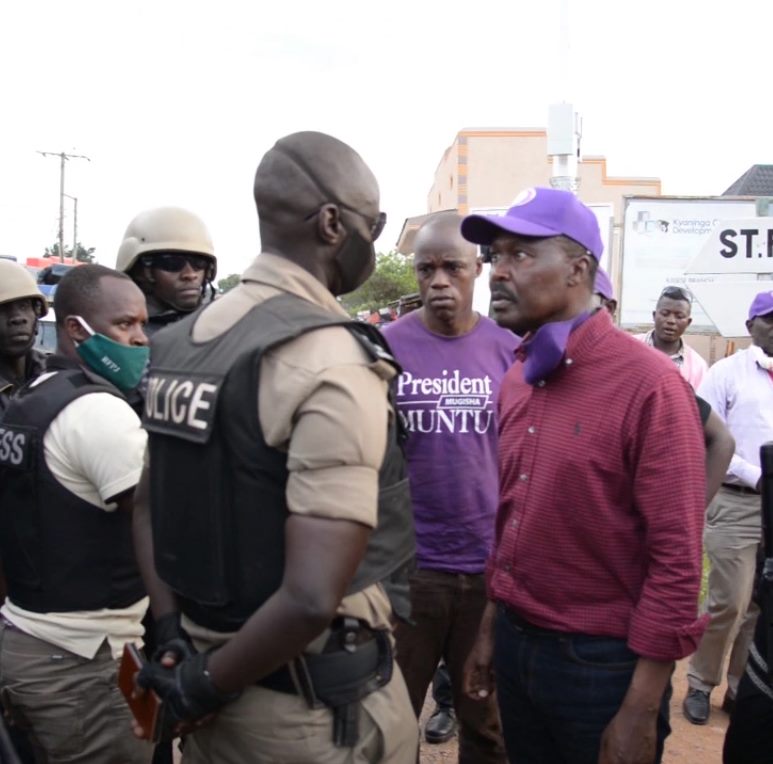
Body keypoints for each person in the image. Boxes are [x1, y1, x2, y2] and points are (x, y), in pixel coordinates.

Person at [132, 131, 418, 762]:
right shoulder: (331, 357)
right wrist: (201, 686)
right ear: (332, 224)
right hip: (309, 717)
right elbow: (313, 596)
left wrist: (174, 634)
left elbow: (150, 509)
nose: (374, 237)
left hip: (217, 688)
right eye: (375, 223)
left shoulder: (181, 345)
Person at [461, 187, 706, 764]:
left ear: (579, 269)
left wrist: (641, 707)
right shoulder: (518, 375)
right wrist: (493, 628)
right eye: (495, 256)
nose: (497, 272)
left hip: (601, 668)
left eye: (519, 254)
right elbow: (513, 520)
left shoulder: (651, 386)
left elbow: (677, 559)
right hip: (517, 643)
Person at [0, 264, 151, 763]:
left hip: (30, 640)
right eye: (124, 325)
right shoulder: (98, 413)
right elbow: (158, 527)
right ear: (74, 329)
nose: (139, 339)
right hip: (83, 660)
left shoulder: (29, 401)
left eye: (141, 325)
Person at [382, 211, 511, 762]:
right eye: (425, 269)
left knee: (486, 721)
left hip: (487, 569)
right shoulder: (382, 347)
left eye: (452, 267)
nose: (438, 281)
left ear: (476, 270)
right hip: (410, 572)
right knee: (390, 719)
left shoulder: (510, 350)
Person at [683, 290, 773, 725]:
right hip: (736, 503)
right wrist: (760, 476)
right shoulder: (726, 373)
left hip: (772, 510)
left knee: (762, 602)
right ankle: (701, 682)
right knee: (729, 602)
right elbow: (705, 436)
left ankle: (740, 685)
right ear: (751, 323)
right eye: (769, 319)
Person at [116, 206, 217, 338]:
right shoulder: (117, 334)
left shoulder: (218, 324)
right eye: (172, 263)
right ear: (140, 271)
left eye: (199, 263)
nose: (190, 274)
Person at [636, 285, 708, 390]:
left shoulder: (698, 366)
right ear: (654, 315)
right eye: (665, 314)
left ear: (688, 322)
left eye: (679, 316)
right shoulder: (629, 346)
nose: (671, 321)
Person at [0, 261, 47, 415]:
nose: (18, 318)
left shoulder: (53, 373)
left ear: (37, 312)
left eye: (24, 306)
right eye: (3, 309)